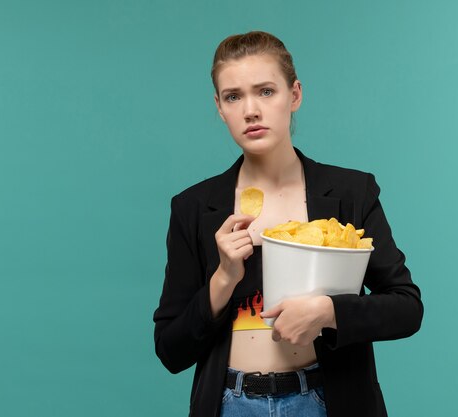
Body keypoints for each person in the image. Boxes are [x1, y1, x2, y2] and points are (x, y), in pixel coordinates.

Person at [153, 31, 423, 417]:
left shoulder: (351, 192)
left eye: (266, 91)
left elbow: (406, 307)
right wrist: (223, 278)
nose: (250, 110)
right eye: (233, 96)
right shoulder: (193, 207)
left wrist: (327, 312)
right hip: (232, 403)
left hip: (328, 401)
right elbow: (170, 350)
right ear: (219, 107)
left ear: (294, 95)